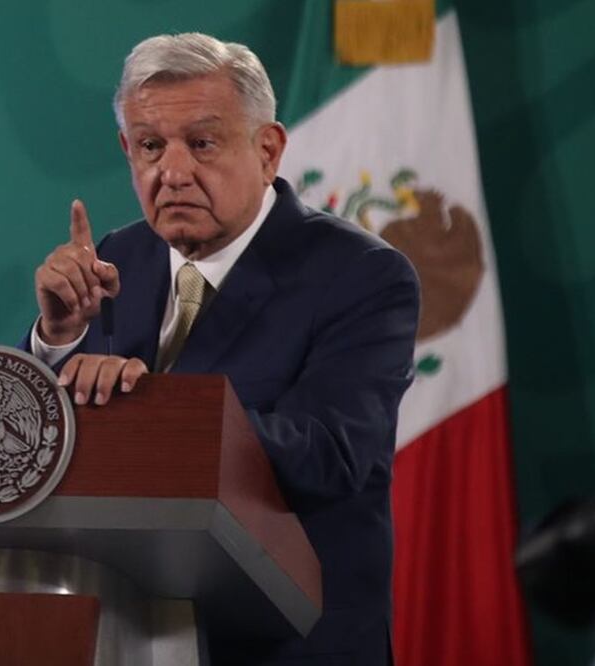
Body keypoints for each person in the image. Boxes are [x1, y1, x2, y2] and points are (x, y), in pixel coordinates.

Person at [24, 33, 420, 664]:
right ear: (128, 150)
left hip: (285, 645)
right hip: (118, 637)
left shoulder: (363, 275)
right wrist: (57, 341)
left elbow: (330, 455)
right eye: (151, 146)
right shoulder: (114, 260)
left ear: (268, 151)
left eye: (202, 143)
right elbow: (57, 454)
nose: (172, 172)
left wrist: (150, 406)